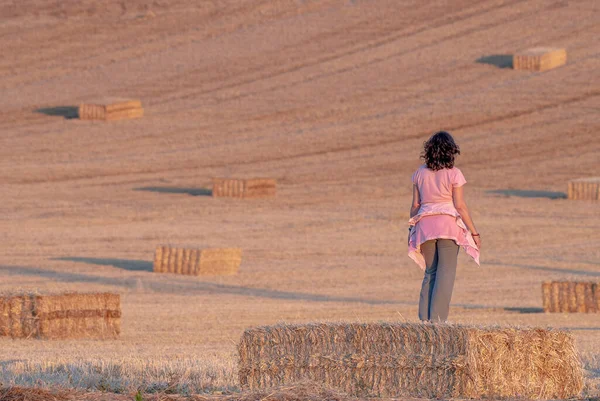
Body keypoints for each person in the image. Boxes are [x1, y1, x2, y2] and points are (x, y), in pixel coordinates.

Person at [408, 131, 480, 323]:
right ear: (450, 151)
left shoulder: (419, 173)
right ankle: (438, 322)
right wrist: (474, 232)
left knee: (430, 272)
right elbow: (460, 206)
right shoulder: (454, 174)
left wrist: (412, 230)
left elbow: (416, 205)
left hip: (425, 226)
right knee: (446, 272)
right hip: (448, 226)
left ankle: (424, 321)